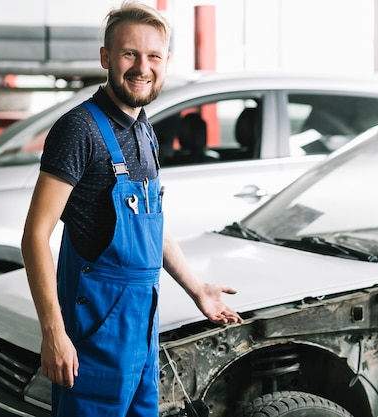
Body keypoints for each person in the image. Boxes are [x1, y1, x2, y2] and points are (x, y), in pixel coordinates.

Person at [20, 2, 243, 416]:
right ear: (106, 57)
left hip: (142, 329)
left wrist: (198, 289)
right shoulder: (79, 130)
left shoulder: (145, 130)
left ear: (166, 62)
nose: (142, 67)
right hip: (95, 333)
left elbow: (150, 225)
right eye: (129, 54)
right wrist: (53, 331)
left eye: (153, 56)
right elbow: (35, 234)